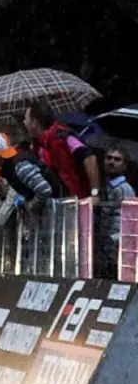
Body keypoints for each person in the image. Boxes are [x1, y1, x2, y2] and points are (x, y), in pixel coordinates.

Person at [24, 103, 100, 200]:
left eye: (26, 119)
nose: (24, 122)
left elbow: (90, 159)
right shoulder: (38, 146)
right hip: (59, 202)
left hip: (79, 200)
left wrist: (95, 194)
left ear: (34, 122)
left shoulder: (63, 137)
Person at [0, 131, 56, 220]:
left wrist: (31, 207)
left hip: (54, 213)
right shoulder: (9, 168)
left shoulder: (20, 166)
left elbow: (44, 189)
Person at [95, 145, 135, 279]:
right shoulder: (105, 186)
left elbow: (132, 222)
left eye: (117, 160)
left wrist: (115, 239)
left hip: (118, 247)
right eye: (109, 158)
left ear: (124, 166)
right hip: (104, 246)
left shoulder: (125, 189)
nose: (112, 162)